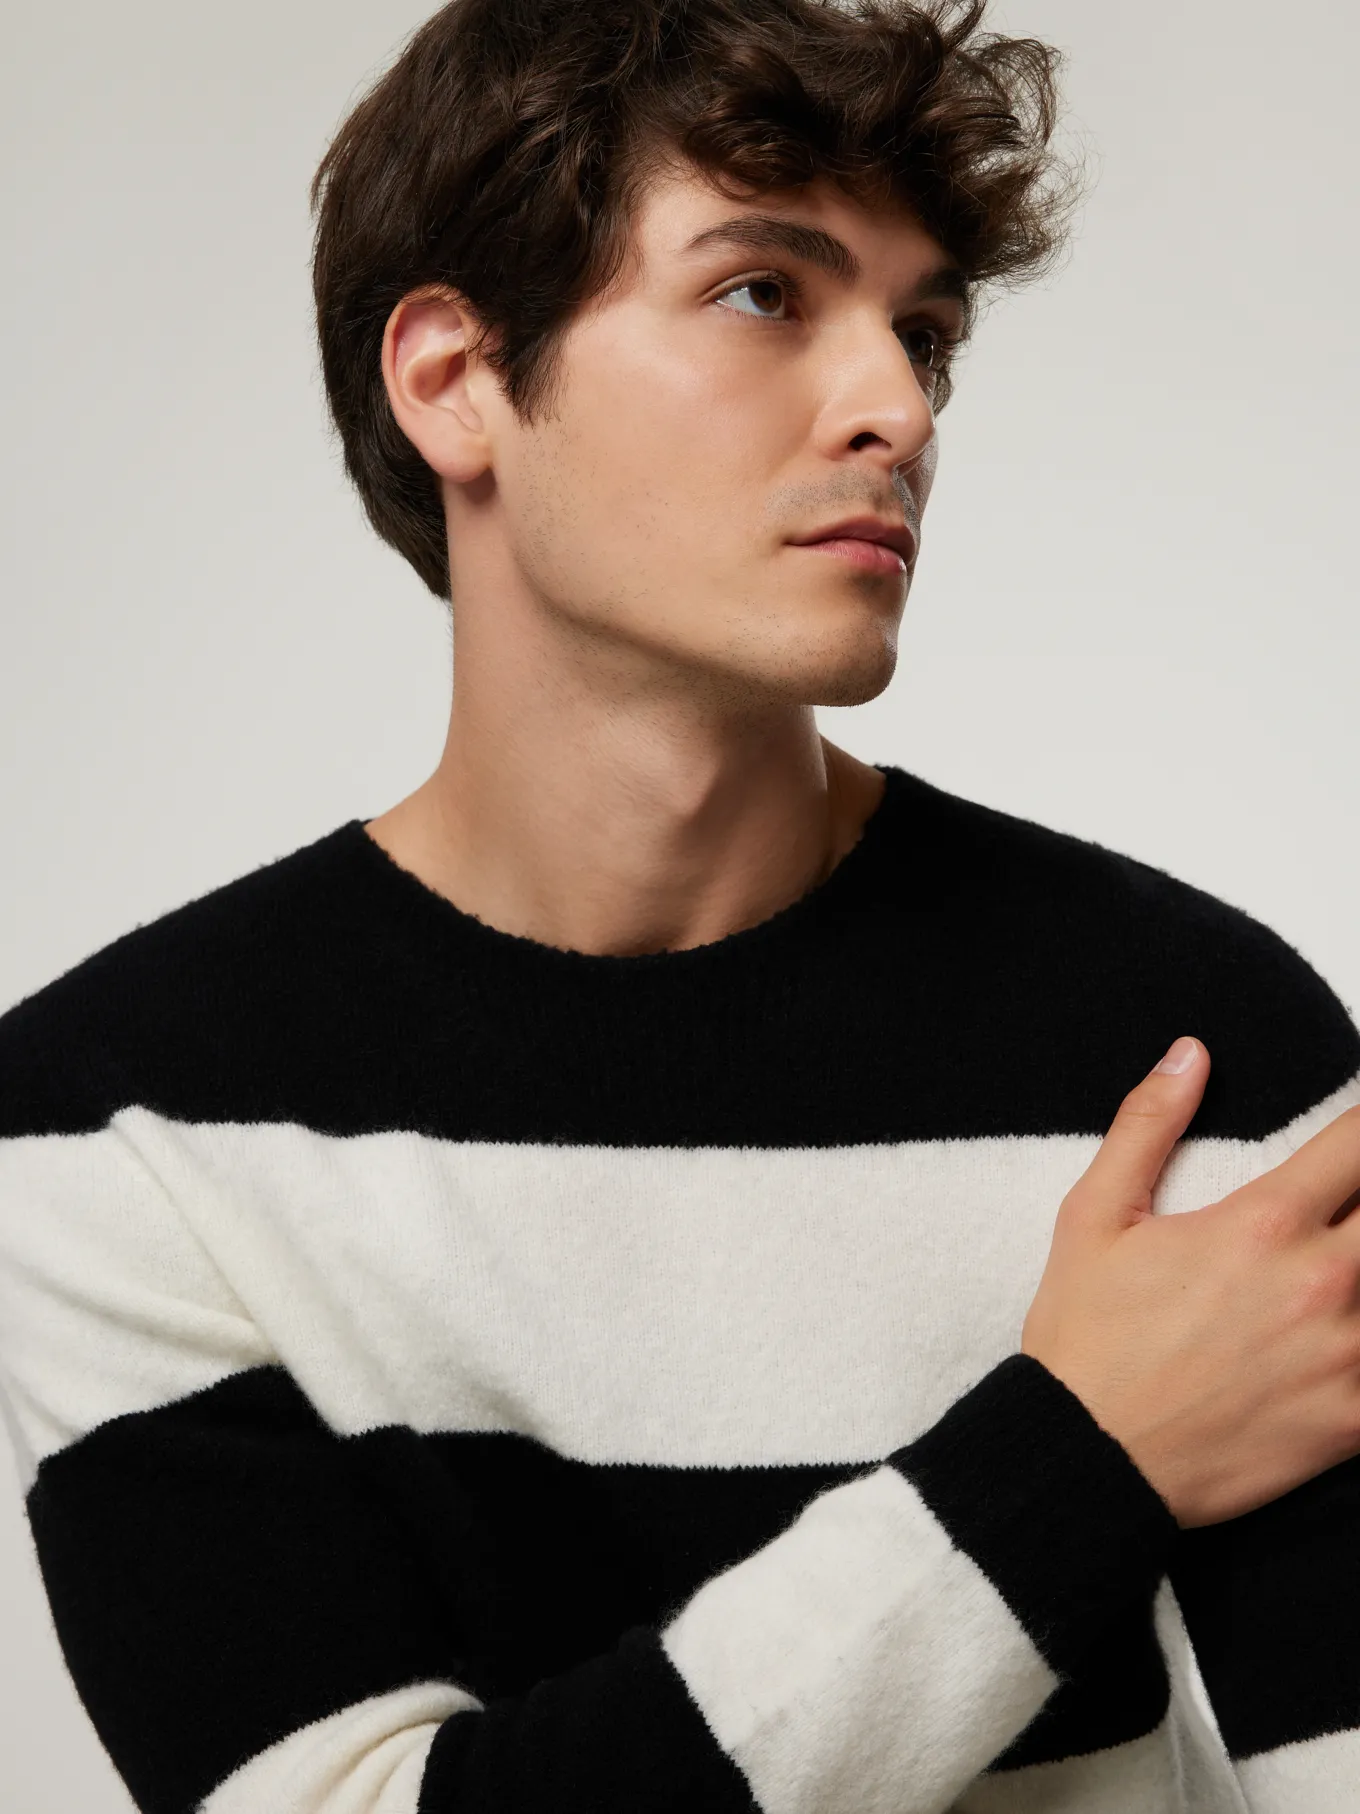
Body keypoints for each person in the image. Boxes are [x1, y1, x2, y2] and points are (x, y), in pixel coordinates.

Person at [1, 0, 1358, 1810]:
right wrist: (1078, 1455)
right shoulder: (129, 1128)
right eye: (762, 292)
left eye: (924, 332)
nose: (897, 410)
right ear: (455, 380)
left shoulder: (1191, 1055)